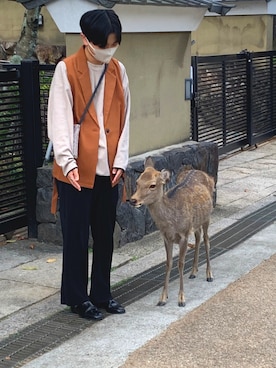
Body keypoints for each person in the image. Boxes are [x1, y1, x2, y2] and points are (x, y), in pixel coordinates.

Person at [47, 9, 130, 321]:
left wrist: (121, 159)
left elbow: (125, 120)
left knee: (105, 235)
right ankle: (77, 298)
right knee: (77, 236)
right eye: (104, 44)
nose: (109, 50)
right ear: (86, 39)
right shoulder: (66, 70)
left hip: (108, 169)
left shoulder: (118, 71)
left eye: (114, 44)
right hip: (76, 172)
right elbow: (59, 122)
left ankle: (102, 294)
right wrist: (67, 164)